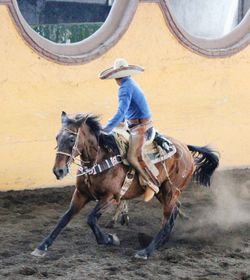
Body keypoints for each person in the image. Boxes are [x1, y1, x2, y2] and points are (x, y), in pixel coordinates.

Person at [99, 58, 159, 202]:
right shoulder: (129, 83)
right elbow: (125, 113)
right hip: (133, 124)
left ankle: (152, 183)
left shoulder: (125, 87)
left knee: (132, 157)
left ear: (116, 78)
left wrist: (107, 128)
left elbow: (121, 111)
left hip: (141, 127)